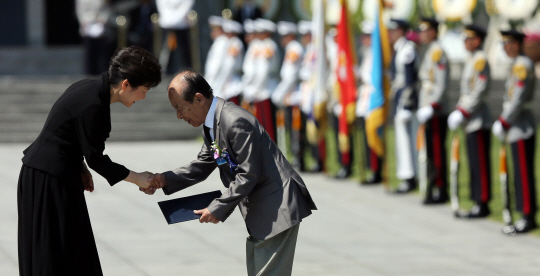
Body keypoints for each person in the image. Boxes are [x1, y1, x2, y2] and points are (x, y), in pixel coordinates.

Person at [141, 69, 317, 276]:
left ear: (198, 99)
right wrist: (164, 179)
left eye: (180, 108)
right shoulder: (212, 122)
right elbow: (205, 162)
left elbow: (248, 174)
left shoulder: (234, 121)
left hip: (277, 205)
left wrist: (218, 207)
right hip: (262, 208)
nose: (179, 116)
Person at [17, 46, 162, 276]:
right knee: (55, 254)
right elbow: (96, 158)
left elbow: (70, 138)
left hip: (55, 174)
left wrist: (81, 167)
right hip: (48, 180)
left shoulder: (91, 89)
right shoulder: (93, 104)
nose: (144, 97)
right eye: (144, 90)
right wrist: (138, 179)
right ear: (126, 85)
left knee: (72, 251)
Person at [492, 29, 537, 234]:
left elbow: (518, 98)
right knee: (518, 172)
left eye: (508, 43)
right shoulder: (518, 64)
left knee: (523, 173)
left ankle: (527, 216)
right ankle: (523, 214)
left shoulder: (522, 65)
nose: (505, 47)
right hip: (515, 125)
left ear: (517, 44)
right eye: (503, 44)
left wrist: (504, 121)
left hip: (521, 126)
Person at [447, 25, 492, 218]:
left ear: (477, 40)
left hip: (478, 120)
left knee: (480, 163)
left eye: (468, 39)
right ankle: (476, 201)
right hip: (469, 121)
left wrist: (463, 112)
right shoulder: (472, 60)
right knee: (473, 162)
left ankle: (482, 203)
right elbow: (466, 91)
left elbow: (479, 91)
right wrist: (459, 110)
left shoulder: (481, 61)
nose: (465, 42)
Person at [416, 17, 450, 203]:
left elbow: (441, 83)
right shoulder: (430, 51)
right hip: (428, 109)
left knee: (437, 151)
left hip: (435, 111)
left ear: (433, 32)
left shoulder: (438, 52)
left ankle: (440, 188)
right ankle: (433, 185)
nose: (422, 35)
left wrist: (432, 106)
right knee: (429, 151)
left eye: (425, 31)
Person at [388, 19, 419, 193]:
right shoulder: (399, 49)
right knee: (402, 140)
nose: (391, 34)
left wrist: (407, 104)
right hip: (399, 99)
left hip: (406, 102)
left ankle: (410, 177)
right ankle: (407, 175)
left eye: (394, 30)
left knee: (408, 140)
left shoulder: (406, 50)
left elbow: (409, 80)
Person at [272, 21, 305, 171]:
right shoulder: (291, 48)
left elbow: (291, 76)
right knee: (291, 129)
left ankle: (299, 159)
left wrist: (279, 94)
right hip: (290, 94)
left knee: (296, 130)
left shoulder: (294, 49)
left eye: (285, 36)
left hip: (294, 94)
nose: (282, 39)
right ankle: (295, 157)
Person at [355, 21, 383, 185]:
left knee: (374, 133)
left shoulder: (376, 54)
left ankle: (376, 169)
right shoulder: (367, 53)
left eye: (367, 36)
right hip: (365, 96)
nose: (364, 39)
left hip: (373, 97)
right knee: (367, 135)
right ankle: (370, 168)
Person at [248, 18, 281, 142]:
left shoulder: (269, 46)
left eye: (261, 32)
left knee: (268, 126)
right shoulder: (258, 45)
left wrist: (256, 87)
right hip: (258, 90)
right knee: (259, 124)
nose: (259, 35)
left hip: (267, 89)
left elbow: (265, 70)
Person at [76, 0, 116, 75]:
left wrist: (103, 20)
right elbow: (80, 10)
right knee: (90, 53)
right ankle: (89, 74)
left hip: (102, 27)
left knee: (103, 54)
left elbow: (106, 9)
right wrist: (84, 22)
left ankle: (103, 74)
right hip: (87, 26)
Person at [211, 19, 245, 105]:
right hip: (227, 80)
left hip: (232, 80)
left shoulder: (235, 43)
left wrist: (222, 82)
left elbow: (231, 65)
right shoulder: (229, 42)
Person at [155, 0, 194, 74]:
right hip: (166, 24)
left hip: (181, 25)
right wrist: (169, 20)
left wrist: (174, 20)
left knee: (184, 52)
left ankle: (187, 70)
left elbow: (186, 5)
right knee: (165, 52)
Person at [204, 15, 229, 90]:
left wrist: (209, 80)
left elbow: (216, 63)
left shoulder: (221, 42)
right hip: (215, 80)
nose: (212, 32)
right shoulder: (219, 42)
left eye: (215, 30)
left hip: (217, 80)